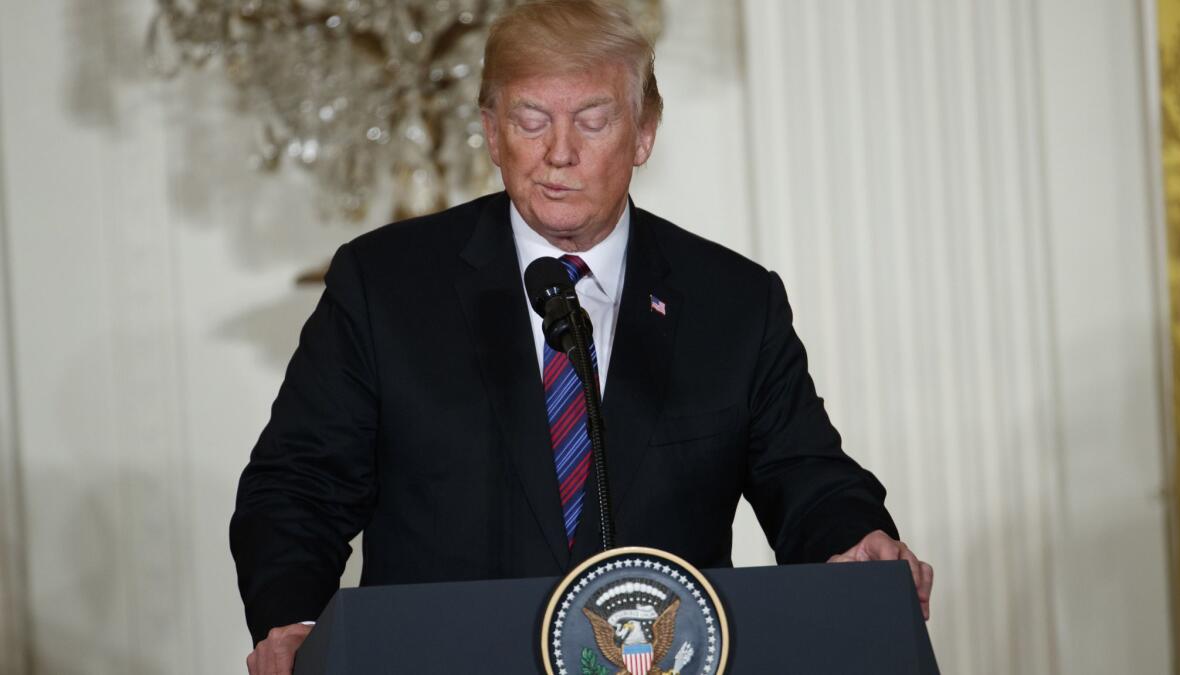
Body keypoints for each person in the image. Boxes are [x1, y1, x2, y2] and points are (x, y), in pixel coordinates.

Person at [232, 1, 934, 673]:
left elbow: (805, 473)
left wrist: (854, 538)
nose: (558, 152)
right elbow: (299, 484)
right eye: (530, 119)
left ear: (644, 132)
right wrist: (292, 616)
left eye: (592, 121)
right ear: (491, 129)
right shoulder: (385, 285)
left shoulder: (733, 302)